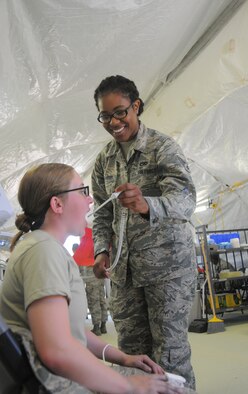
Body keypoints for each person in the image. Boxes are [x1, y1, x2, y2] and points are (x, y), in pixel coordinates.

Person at [0, 163, 181, 394]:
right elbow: (56, 351)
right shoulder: (43, 252)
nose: (90, 201)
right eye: (82, 191)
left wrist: (121, 357)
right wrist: (128, 386)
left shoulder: (43, 247)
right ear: (57, 204)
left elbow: (69, 328)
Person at [92, 75, 197, 390]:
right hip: (125, 275)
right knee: (132, 356)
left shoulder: (162, 148)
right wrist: (101, 250)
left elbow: (185, 200)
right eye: (105, 116)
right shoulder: (103, 161)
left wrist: (146, 204)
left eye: (120, 112)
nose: (114, 122)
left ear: (136, 106)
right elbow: (101, 214)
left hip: (168, 272)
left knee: (170, 356)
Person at [73, 225, 108, 336]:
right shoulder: (94, 251)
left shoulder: (81, 254)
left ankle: (96, 327)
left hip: (91, 281)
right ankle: (103, 326)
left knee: (94, 303)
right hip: (100, 279)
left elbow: (77, 272)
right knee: (101, 300)